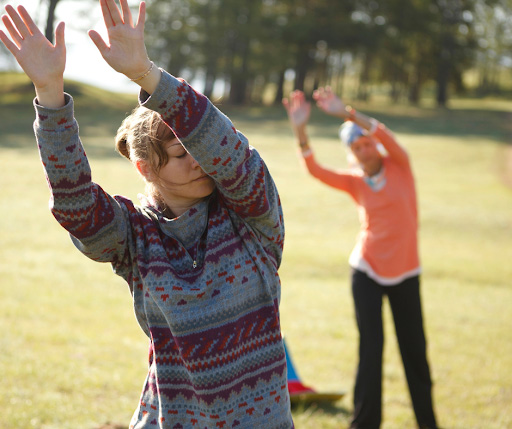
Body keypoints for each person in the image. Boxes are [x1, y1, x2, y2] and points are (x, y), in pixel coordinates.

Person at [0, 1, 294, 427]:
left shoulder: (252, 214)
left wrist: (145, 74)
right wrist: (49, 92)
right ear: (145, 167)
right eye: (181, 154)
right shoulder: (136, 238)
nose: (201, 161)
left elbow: (226, 149)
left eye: (200, 150)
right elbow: (76, 205)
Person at [283, 88, 438, 429]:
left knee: (415, 352)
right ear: (352, 153)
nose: (364, 150)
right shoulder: (356, 182)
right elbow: (315, 170)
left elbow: (384, 132)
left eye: (366, 143)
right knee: (371, 351)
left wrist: (346, 113)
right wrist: (300, 129)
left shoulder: (400, 165)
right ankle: (365, 424)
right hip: (366, 271)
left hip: (406, 273)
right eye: (356, 148)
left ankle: (428, 423)